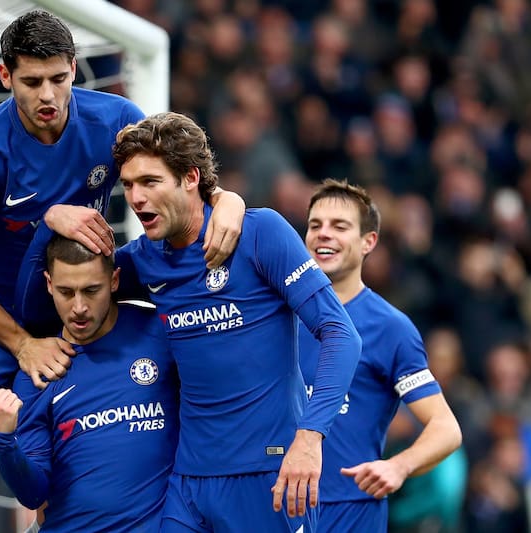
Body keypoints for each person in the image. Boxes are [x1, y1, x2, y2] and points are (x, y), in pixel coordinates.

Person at [0, 11, 243, 532]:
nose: (48, 95)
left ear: (75, 68)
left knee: (68, 486)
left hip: (70, 310)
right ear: (7, 77)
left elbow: (173, 174)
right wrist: (21, 343)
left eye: (59, 78)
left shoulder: (113, 119)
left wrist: (225, 198)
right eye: (32, 82)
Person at [108, 112, 362, 531]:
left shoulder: (259, 233)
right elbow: (51, 300)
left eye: (150, 182)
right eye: (129, 184)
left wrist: (310, 437)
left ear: (190, 177)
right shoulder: (144, 259)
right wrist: (52, 222)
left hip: (270, 475)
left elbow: (340, 334)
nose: (135, 198)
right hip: (188, 484)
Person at [298, 178, 463, 532]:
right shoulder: (277, 315)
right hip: (273, 508)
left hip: (350, 516)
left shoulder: (390, 327)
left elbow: (446, 428)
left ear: (368, 242)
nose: (323, 234)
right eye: (315, 225)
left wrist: (398, 466)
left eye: (339, 226)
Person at [0, 234, 179, 531]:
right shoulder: (39, 371)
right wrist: (4, 442)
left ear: (115, 280)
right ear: (49, 284)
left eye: (91, 290)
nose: (78, 307)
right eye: (66, 292)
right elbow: (33, 493)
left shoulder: (159, 332)